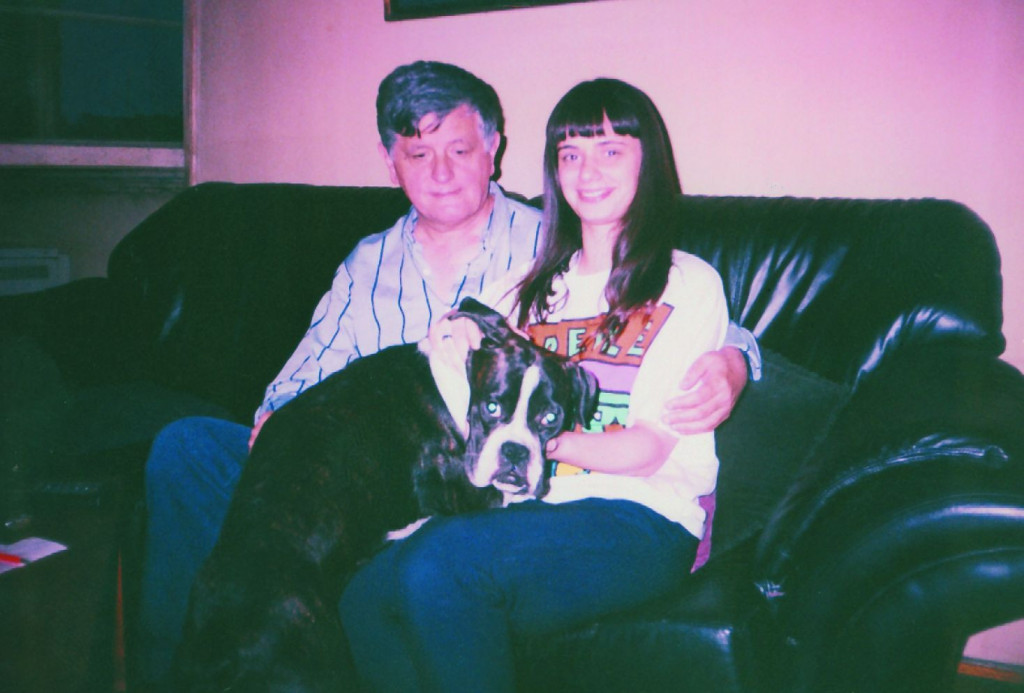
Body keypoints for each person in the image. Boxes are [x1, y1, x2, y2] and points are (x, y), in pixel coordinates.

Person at [135, 62, 753, 687]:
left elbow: (691, 327)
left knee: (427, 566)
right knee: (189, 449)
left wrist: (736, 361)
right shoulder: (435, 275)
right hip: (369, 466)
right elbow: (315, 374)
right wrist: (281, 417)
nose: (440, 173)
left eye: (458, 150)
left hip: (495, 487)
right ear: (391, 163)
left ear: (493, 150)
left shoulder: (551, 244)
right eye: (418, 154)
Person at [338, 77, 734, 692]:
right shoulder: (520, 290)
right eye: (570, 154)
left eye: (610, 150)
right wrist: (447, 340)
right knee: (364, 592)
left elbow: (650, 447)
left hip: (640, 518)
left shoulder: (685, 283)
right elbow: (453, 399)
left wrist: (532, 443)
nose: (587, 171)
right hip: (527, 514)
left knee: (442, 564)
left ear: (648, 161)